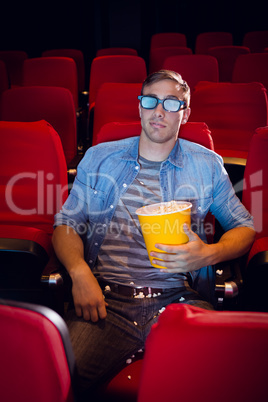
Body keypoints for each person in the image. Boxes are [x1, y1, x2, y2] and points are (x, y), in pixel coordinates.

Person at [52, 70, 255, 399]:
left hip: (177, 301)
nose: (159, 110)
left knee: (227, 377)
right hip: (105, 300)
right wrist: (79, 272)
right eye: (151, 100)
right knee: (55, 383)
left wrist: (208, 253)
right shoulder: (100, 158)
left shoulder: (206, 165)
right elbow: (66, 224)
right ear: (140, 107)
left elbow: (244, 227)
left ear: (185, 113)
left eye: (171, 103)